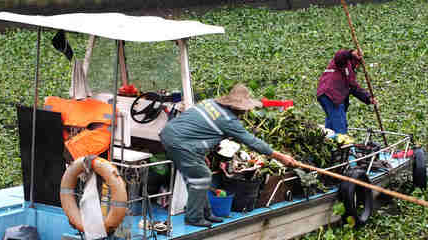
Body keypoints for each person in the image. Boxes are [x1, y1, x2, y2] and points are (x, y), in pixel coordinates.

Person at [159, 83, 297, 228]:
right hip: (179, 142)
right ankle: (194, 217)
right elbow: (253, 142)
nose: (245, 112)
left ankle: (206, 212)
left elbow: (197, 128)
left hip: (171, 134)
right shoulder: (228, 120)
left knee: (197, 176)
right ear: (238, 108)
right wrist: (281, 157)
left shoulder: (210, 103)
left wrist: (199, 152)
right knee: (202, 177)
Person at [316, 49, 377, 135]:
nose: (357, 66)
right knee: (340, 128)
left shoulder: (349, 74)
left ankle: (329, 144)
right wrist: (351, 53)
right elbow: (339, 55)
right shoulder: (343, 62)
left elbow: (354, 87)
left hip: (327, 95)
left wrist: (368, 98)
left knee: (330, 127)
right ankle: (341, 146)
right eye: (357, 63)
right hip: (332, 95)